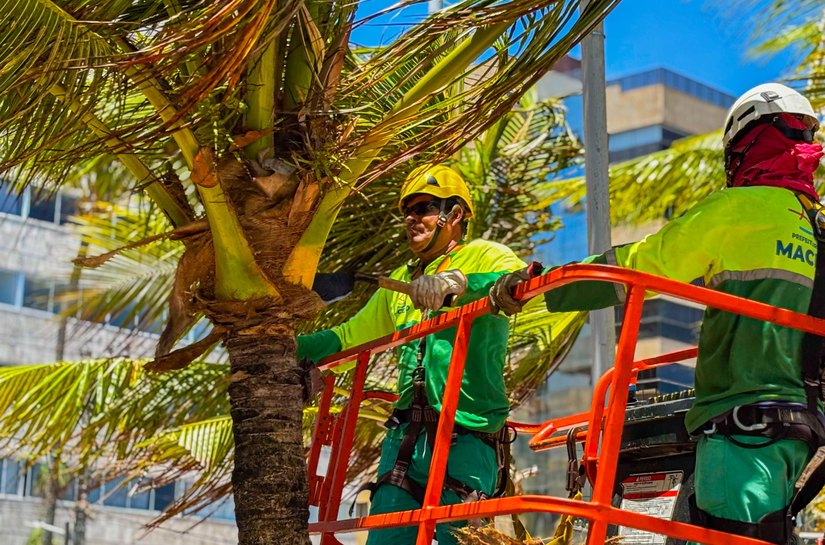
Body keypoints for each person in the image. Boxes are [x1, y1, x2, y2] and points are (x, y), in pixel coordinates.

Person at [489, 83, 825, 544]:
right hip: (802, 434)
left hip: (744, 430)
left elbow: (642, 265)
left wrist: (547, 285)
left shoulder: (740, 209)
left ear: (745, 147)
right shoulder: (817, 229)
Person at [298, 164, 526, 545]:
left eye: (423, 208)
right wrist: (281, 346)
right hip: (406, 440)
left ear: (454, 215)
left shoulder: (488, 256)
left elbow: (520, 285)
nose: (411, 217)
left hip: (466, 440)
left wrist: (461, 283)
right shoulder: (399, 282)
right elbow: (348, 337)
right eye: (408, 210)